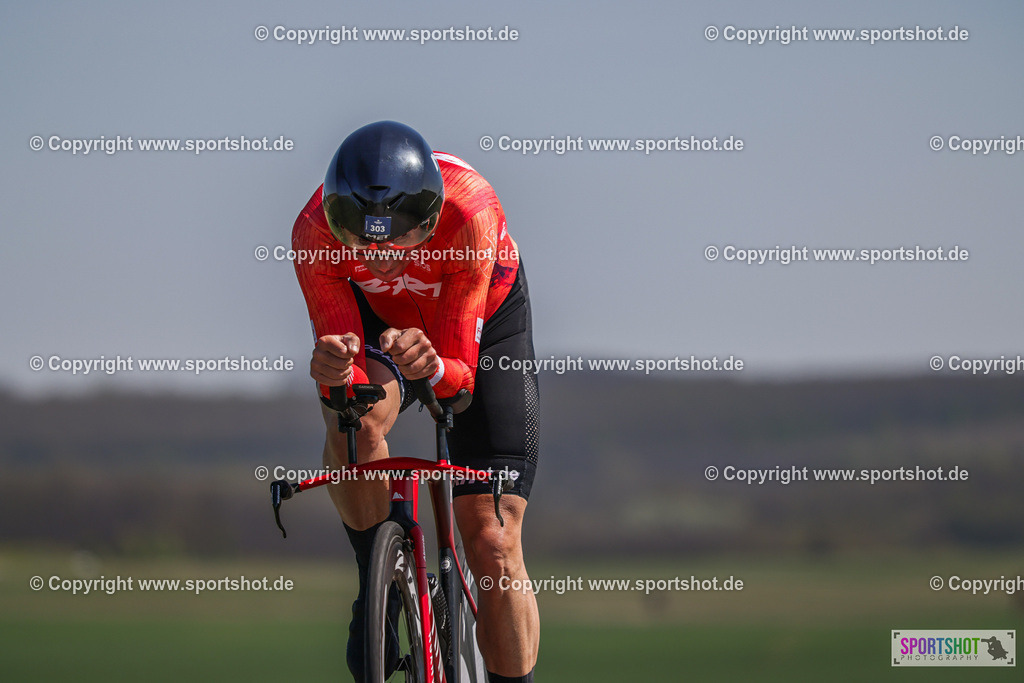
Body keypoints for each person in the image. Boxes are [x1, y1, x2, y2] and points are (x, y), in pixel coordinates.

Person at [291, 120, 539, 682]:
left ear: (427, 220)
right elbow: (344, 375)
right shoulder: (313, 230)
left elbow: (458, 383)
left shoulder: (468, 213)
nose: (379, 259)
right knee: (349, 418)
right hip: (384, 323)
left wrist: (432, 367)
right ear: (336, 222)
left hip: (481, 321)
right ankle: (376, 581)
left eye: (398, 239)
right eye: (361, 242)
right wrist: (333, 373)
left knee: (492, 541)